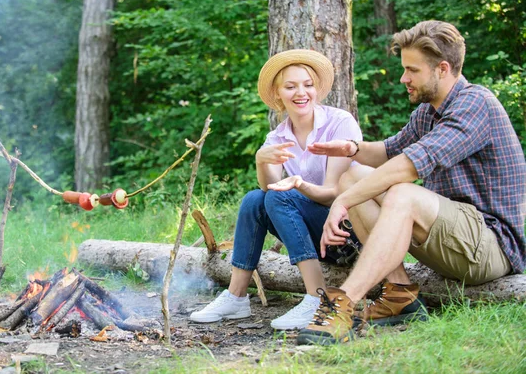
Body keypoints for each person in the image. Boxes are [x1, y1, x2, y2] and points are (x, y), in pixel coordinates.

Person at [295, 20, 526, 345]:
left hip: (492, 247)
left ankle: (343, 304)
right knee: (352, 175)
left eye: (411, 70)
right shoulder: (428, 112)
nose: (404, 78)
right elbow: (389, 152)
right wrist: (354, 149)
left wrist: (340, 203)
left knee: (402, 193)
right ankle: (400, 295)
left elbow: (408, 166)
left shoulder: (475, 105)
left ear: (442, 69)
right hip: (454, 240)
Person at [189, 49, 363, 330]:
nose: (301, 92)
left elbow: (333, 193)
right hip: (313, 235)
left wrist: (299, 184)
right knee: (254, 200)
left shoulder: (339, 123)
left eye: (307, 85)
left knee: (280, 195)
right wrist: (261, 160)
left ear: (316, 89)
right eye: (291, 86)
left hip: (346, 235)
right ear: (277, 93)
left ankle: (317, 297)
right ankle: (236, 297)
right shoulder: (278, 136)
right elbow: (268, 191)